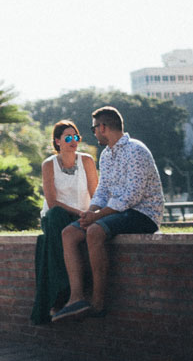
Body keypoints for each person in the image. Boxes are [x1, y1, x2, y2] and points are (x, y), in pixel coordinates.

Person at [52, 105, 164, 322]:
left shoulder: (136, 150)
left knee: (95, 231)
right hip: (116, 213)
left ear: (102, 127)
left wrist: (97, 217)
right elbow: (103, 190)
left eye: (94, 128)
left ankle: (98, 303)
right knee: (69, 233)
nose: (93, 133)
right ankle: (76, 299)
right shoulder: (106, 156)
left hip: (143, 213)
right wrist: (90, 211)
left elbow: (131, 197)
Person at [30, 119, 98, 324]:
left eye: (76, 137)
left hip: (84, 216)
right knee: (56, 219)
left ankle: (63, 296)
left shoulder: (86, 160)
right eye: (68, 137)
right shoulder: (49, 164)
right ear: (57, 141)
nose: (73, 141)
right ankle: (65, 292)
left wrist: (92, 214)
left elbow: (96, 194)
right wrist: (78, 212)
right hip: (56, 216)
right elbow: (52, 202)